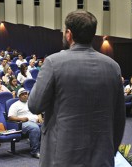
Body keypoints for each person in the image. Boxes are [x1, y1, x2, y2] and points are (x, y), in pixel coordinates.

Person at [28, 11, 125, 167]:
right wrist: (110, 151)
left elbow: (34, 105)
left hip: (61, 158)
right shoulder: (113, 67)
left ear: (69, 34)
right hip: (101, 156)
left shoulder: (53, 63)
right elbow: (119, 118)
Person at [8, 88, 42, 159]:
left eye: (26, 94)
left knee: (46, 126)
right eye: (22, 94)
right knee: (34, 128)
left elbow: (38, 111)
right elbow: (10, 117)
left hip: (35, 121)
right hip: (23, 123)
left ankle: (44, 149)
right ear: (19, 96)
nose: (25, 96)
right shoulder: (15, 105)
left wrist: (39, 117)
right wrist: (21, 119)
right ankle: (35, 151)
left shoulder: (31, 103)